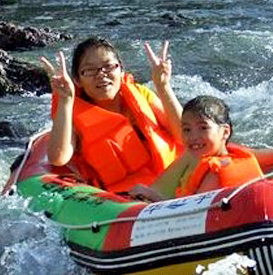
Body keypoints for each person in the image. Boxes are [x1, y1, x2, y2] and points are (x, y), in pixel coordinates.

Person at [39, 37, 183, 193]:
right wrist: (65, 100)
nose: (101, 75)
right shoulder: (72, 114)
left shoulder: (142, 94)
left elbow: (185, 136)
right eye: (89, 70)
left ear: (121, 71)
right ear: (77, 80)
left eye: (109, 66)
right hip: (125, 198)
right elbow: (58, 157)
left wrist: (163, 86)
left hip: (172, 181)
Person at [130, 95, 273, 201]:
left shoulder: (214, 172)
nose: (193, 137)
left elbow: (193, 211)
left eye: (203, 128)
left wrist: (152, 196)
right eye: (186, 129)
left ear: (225, 132)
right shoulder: (237, 155)